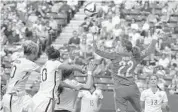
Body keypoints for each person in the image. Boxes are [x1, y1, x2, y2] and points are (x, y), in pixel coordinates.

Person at [93, 32, 159, 112]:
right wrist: (155, 38)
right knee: (141, 110)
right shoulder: (136, 56)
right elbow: (149, 50)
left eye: (119, 46)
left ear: (124, 48)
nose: (117, 47)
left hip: (120, 90)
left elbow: (97, 51)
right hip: (133, 89)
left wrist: (94, 40)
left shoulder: (115, 56)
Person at [32, 46, 94, 112]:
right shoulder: (55, 64)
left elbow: (61, 81)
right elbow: (88, 86)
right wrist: (88, 71)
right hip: (48, 99)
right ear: (58, 58)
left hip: (41, 98)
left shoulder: (46, 65)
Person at [2, 40, 40, 112]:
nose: (36, 56)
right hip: (14, 98)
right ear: (32, 53)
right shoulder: (29, 63)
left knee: (32, 106)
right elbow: (45, 71)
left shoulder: (17, 60)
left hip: (15, 95)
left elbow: (13, 77)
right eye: (36, 54)